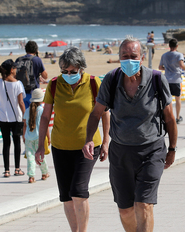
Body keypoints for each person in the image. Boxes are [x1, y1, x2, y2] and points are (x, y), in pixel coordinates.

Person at [83, 36, 177, 232]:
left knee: (143, 204)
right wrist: (89, 139)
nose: (128, 60)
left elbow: (169, 118)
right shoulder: (111, 79)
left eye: (133, 56)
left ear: (141, 58)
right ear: (118, 57)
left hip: (151, 150)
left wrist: (172, 149)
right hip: (121, 153)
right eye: (124, 56)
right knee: (125, 210)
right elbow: (96, 113)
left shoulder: (157, 79)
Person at [35, 46, 110, 232]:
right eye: (64, 71)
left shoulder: (94, 83)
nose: (68, 74)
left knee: (78, 191)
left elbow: (105, 113)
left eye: (73, 71)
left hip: (88, 146)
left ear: (81, 68)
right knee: (66, 196)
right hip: (60, 147)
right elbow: (45, 117)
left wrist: (107, 141)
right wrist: (39, 146)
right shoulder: (54, 84)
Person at [0, 59, 26, 178]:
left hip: (3, 117)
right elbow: (21, 102)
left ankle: (6, 170)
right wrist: (25, 116)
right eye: (15, 68)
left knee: (6, 143)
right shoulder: (17, 84)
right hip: (16, 117)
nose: (16, 70)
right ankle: (17, 168)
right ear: (11, 70)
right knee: (17, 142)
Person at [159, 38, 185, 124]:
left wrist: (167, 69)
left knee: (168, 99)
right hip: (176, 79)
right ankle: (177, 117)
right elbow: (181, 64)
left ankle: (168, 115)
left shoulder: (164, 55)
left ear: (169, 46)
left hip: (167, 79)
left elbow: (160, 67)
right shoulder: (179, 55)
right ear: (177, 46)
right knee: (178, 98)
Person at [23, 88, 50, 184]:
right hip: (39, 137)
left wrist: (24, 136)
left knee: (30, 157)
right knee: (40, 156)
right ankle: (44, 173)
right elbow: (45, 126)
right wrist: (48, 137)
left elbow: (25, 125)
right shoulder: (42, 110)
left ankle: (31, 176)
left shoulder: (27, 111)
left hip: (28, 138)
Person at [15, 40, 48, 108]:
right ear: (36, 50)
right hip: (33, 93)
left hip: (21, 92)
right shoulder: (37, 60)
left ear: (26, 50)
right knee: (36, 115)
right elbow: (45, 76)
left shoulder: (19, 60)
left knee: (25, 116)